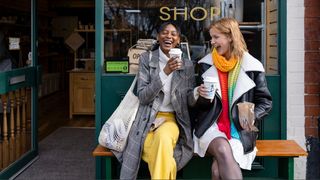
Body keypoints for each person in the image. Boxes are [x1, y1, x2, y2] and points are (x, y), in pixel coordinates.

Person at [113, 22, 197, 180]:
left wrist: (198, 93)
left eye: (173, 34)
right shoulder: (147, 59)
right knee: (162, 151)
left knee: (163, 138)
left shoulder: (187, 64)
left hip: (172, 119)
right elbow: (144, 96)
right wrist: (165, 72)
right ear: (158, 37)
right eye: (164, 32)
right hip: (146, 119)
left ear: (178, 40)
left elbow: (189, 100)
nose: (169, 36)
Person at [192, 18, 272, 179]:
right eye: (211, 37)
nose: (212, 42)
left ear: (230, 37)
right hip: (211, 126)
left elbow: (265, 102)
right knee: (221, 149)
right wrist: (200, 96)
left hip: (239, 130)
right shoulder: (205, 65)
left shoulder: (252, 66)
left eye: (216, 37)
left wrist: (252, 116)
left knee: (216, 171)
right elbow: (199, 107)